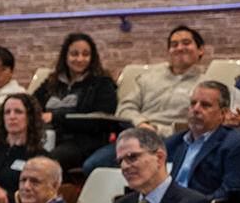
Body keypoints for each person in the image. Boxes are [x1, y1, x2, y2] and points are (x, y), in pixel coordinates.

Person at [82, 25, 211, 173]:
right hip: (139, 137)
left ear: (201, 50)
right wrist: (141, 124)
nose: (180, 48)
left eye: (186, 43)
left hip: (175, 141)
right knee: (93, 165)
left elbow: (202, 122)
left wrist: (159, 131)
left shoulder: (206, 86)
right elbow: (125, 107)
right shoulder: (148, 79)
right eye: (174, 45)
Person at [36, 32, 119, 172]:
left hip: (82, 143)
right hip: (47, 138)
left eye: (85, 54)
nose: (80, 59)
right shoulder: (52, 81)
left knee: (46, 163)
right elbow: (31, 104)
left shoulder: (103, 83)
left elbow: (99, 119)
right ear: (65, 56)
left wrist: (55, 117)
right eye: (74, 54)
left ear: (92, 57)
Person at [161, 81, 240, 202]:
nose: (196, 109)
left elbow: (231, 193)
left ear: (223, 113)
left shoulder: (235, 144)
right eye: (193, 103)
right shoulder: (172, 142)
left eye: (205, 105)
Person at [0, 92, 46, 203]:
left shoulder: (39, 158)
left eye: (18, 112)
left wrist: (6, 197)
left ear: (30, 117)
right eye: (7, 112)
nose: (12, 116)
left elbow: (39, 197)